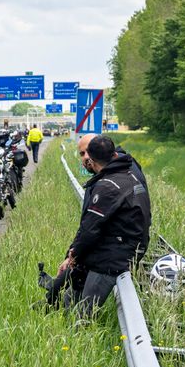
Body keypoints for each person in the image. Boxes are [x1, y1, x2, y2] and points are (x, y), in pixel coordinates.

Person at [57, 135, 151, 317]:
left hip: (113, 259)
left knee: (83, 314)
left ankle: (78, 338)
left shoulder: (107, 186)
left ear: (91, 160)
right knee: (69, 297)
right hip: (125, 249)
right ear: (114, 154)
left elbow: (89, 229)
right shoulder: (131, 174)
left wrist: (72, 255)